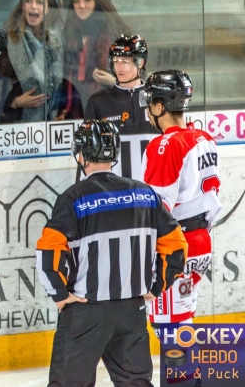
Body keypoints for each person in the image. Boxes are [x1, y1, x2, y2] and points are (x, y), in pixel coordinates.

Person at [36, 119, 187, 387]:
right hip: (132, 309)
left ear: (80, 154)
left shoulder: (73, 198)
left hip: (85, 311)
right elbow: (176, 246)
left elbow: (48, 251)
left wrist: (60, 295)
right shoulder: (145, 194)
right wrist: (156, 287)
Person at [140, 71, 222, 332]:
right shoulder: (204, 138)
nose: (146, 108)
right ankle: (190, 372)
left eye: (149, 101)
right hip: (201, 242)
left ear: (159, 106)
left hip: (176, 245)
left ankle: (185, 374)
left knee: (170, 328)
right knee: (183, 320)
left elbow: (157, 209)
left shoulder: (164, 145)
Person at [84, 35, 157, 179]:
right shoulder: (98, 102)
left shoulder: (156, 98)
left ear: (140, 63)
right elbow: (88, 151)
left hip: (153, 188)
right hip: (114, 190)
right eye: (116, 61)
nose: (119, 67)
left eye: (125, 61)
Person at [0, 0, 66, 122]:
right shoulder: (5, 37)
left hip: (55, 125)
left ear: (48, 8)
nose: (33, 7)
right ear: (22, 6)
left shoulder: (61, 39)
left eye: (39, 2)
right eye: (28, 1)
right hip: (15, 125)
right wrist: (15, 102)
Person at [0, 34, 82, 124]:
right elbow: (4, 122)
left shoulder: (66, 88)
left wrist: (64, 117)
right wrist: (16, 102)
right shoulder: (20, 88)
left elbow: (78, 120)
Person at [62, 0, 132, 99]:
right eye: (76, 1)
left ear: (96, 1)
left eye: (87, 0)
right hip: (76, 102)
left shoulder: (112, 30)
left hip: (110, 101)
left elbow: (135, 82)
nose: (81, 6)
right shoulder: (69, 30)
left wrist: (114, 82)